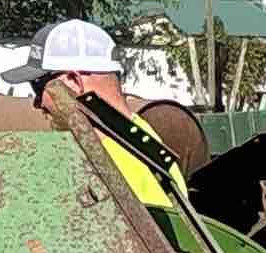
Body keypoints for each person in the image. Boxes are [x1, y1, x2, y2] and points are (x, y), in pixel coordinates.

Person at [30, 18, 185, 206]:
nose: (36, 103)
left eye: (38, 87)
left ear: (74, 81)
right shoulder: (137, 137)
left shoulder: (120, 166)